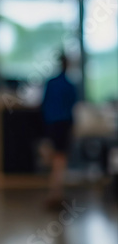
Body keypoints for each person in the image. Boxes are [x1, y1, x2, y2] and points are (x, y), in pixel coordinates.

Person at [41, 54, 78, 208]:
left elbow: (44, 105)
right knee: (60, 159)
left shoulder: (51, 83)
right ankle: (56, 194)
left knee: (56, 158)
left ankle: (55, 193)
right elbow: (72, 106)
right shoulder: (69, 85)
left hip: (52, 124)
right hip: (63, 124)